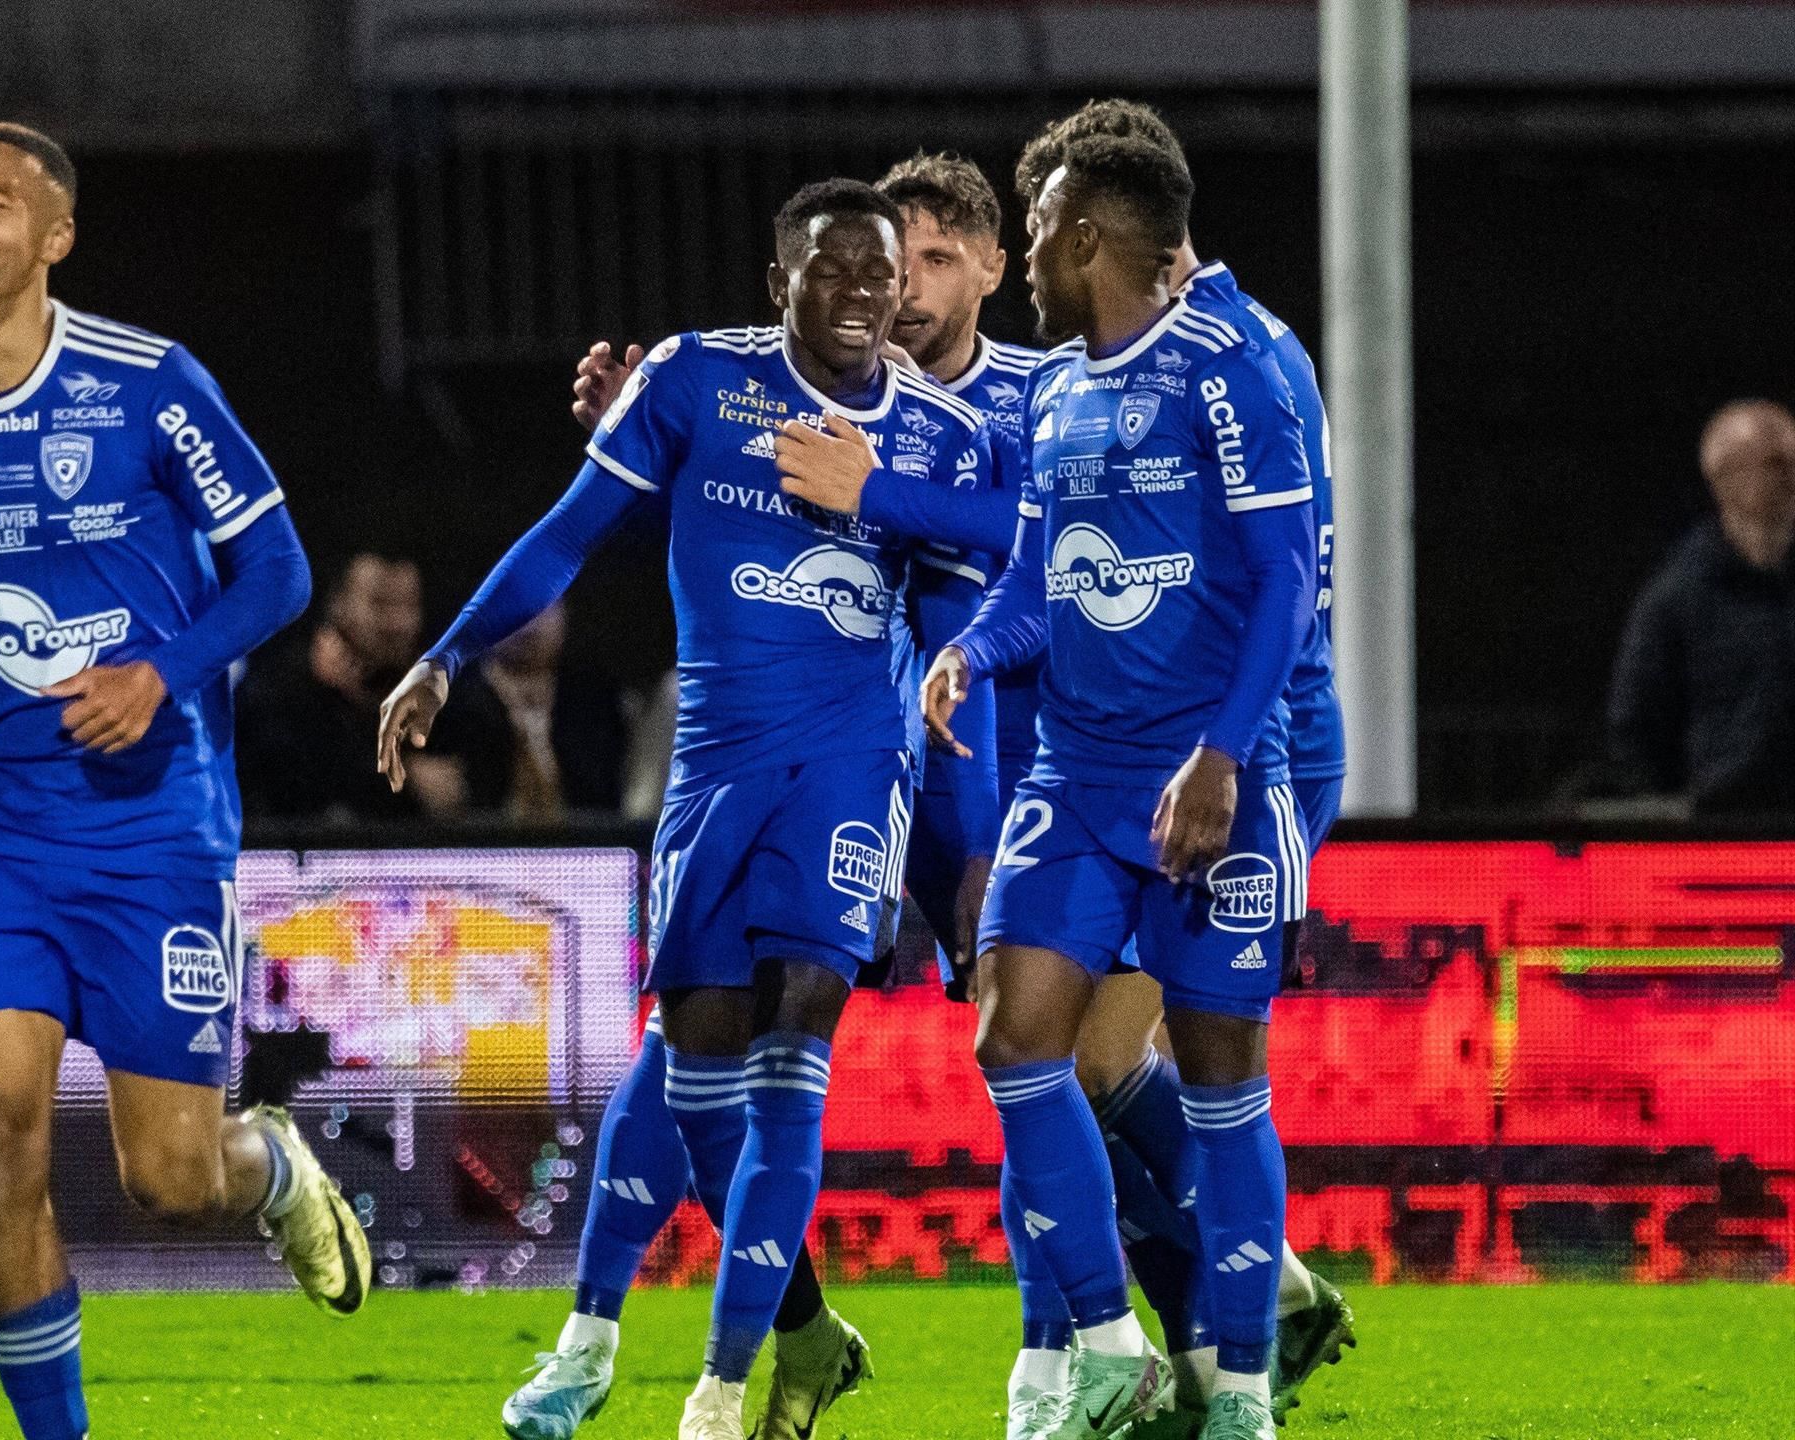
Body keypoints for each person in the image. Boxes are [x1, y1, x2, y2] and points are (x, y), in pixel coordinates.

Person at [382, 179, 1003, 1440]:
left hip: (847, 777)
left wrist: (969, 838)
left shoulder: (936, 437)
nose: (862, 297)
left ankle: (719, 1391)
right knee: (691, 1054)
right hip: (711, 772)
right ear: (780, 283)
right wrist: (445, 657)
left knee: (796, 1051)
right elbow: (566, 538)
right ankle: (631, 1338)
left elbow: (993, 583)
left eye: (880, 276)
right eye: (831, 273)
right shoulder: (693, 385)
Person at [0, 122, 361, 1440]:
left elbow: (277, 574)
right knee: (0, 1129)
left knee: (168, 1177)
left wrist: (162, 670)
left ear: (55, 236)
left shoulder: (150, 385)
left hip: (151, 827)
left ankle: (264, 1172)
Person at [548, 149, 1046, 1440]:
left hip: (1000, 781)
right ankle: (771, 1342)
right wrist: (638, 421)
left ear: (997, 267)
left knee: (1055, 1057)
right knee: (714, 1053)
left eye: (936, 258)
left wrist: (877, 493)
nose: (905, 285)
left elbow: (1050, 535)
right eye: (889, 258)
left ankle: (1117, 1336)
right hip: (839, 764)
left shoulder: (1039, 401)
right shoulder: (777, 391)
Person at [922, 134, 1318, 1440]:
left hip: (1209, 777)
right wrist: (971, 652)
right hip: (1072, 779)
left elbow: (1284, 582)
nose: (1024, 253)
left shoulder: (1237, 365)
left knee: (1217, 1078)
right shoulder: (1055, 394)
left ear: (1086, 235)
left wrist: (1226, 754)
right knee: (1016, 1039)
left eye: (1033, 227)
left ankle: (1245, 1389)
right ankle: (1100, 1349)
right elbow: (1038, 576)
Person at [1603, 399, 1795, 812]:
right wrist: (1686, 810)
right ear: (1723, 478)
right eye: (1776, 464)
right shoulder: (1679, 593)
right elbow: (1636, 722)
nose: (1789, 479)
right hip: (1723, 831)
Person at [237, 552, 463, 819]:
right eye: (379, 604)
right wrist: (408, 779)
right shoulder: (282, 690)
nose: (395, 624)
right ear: (338, 605)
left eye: (408, 605)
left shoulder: (442, 688)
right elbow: (295, 788)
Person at [450, 600, 632, 820]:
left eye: (543, 605)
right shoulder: (450, 700)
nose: (529, 625)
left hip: (583, 847)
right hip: (481, 847)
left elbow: (608, 794)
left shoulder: (593, 700)